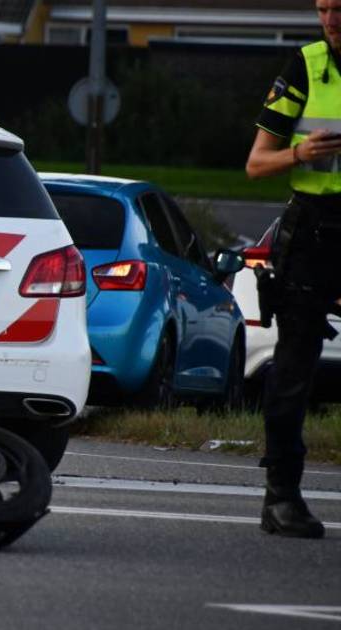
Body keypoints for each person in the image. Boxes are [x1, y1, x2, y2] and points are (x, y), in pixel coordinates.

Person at [243, 0, 341, 539]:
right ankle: (281, 496)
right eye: (324, 8)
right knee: (293, 364)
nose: (331, 19)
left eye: (340, 9)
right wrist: (300, 154)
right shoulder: (305, 66)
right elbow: (257, 163)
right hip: (315, 230)